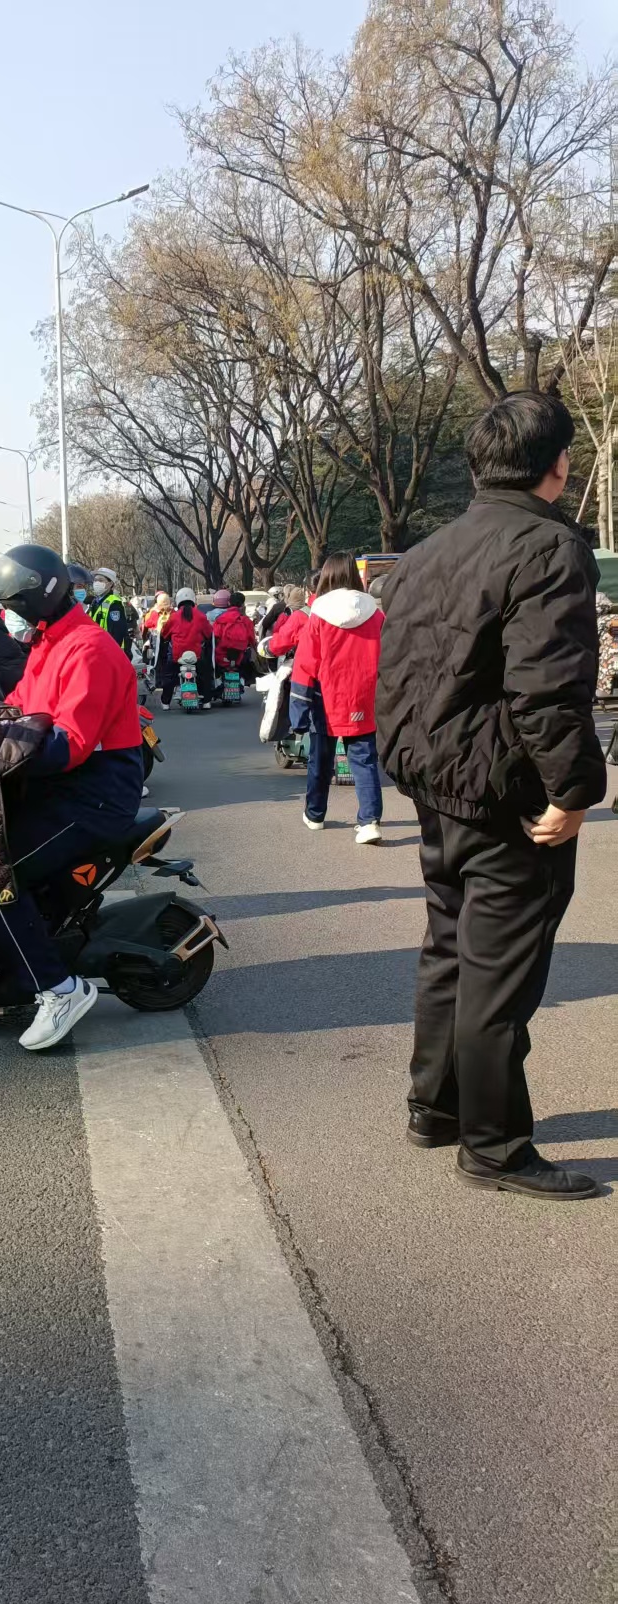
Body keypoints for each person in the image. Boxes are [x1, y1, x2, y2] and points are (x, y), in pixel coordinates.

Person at [377, 390, 606, 1201]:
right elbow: (547, 690)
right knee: (497, 974)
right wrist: (573, 788)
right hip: (504, 789)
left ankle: (434, 1107)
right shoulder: (549, 546)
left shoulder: (424, 553)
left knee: (448, 950)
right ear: (558, 464)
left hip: (435, 781)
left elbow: (398, 674)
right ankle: (495, 1146)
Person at [0, 543, 143, 1051]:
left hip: (93, 794)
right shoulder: (48, 642)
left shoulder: (88, 649)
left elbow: (69, 744)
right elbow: (18, 707)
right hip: (59, 787)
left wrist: (0, 750)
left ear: (38, 598)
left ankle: (59, 989)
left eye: (13, 606)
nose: (9, 615)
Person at [290, 554, 385, 843]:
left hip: (325, 700)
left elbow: (305, 664)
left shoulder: (318, 614)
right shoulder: (376, 614)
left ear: (327, 576)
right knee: (365, 761)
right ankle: (369, 822)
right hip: (365, 699)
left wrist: (298, 712)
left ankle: (315, 815)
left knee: (320, 760)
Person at [158, 588, 212, 708]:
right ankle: (206, 701)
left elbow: (164, 634)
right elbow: (208, 634)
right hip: (197, 656)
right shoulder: (201, 616)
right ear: (193, 600)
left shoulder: (173, 617)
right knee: (204, 675)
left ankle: (165, 703)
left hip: (177, 657)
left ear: (178, 601)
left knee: (169, 677)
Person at [87, 567, 133, 650]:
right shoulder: (95, 602)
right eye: (95, 580)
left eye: (101, 580)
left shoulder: (114, 603)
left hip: (109, 649)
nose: (97, 583)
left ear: (110, 584)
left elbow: (117, 633)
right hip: (97, 647)